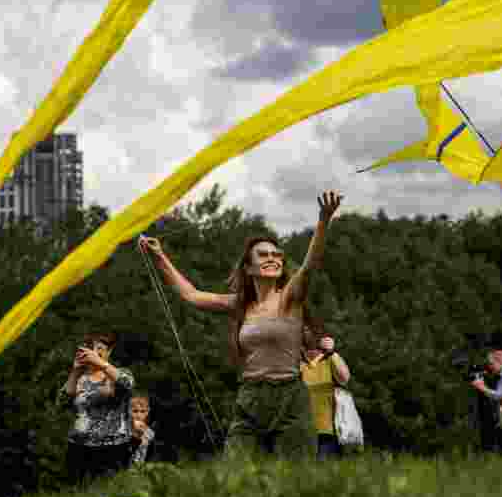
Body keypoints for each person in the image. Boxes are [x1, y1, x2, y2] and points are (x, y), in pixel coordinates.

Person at [139, 190, 342, 460]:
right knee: (236, 473)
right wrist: (159, 256)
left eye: (277, 255)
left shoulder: (291, 298)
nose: (273, 258)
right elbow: (192, 295)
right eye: (263, 255)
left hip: (291, 398)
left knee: (296, 478)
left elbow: (309, 266)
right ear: (248, 267)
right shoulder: (240, 304)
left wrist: (323, 220)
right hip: (250, 397)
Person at [58, 331, 136, 483]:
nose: (95, 353)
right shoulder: (79, 379)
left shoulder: (117, 374)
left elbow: (127, 384)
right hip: (79, 449)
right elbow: (61, 402)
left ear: (109, 351)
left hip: (113, 449)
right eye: (91, 349)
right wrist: (75, 372)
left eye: (100, 348)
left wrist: (101, 365)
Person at [300, 325, 351, 460]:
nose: (308, 336)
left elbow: (345, 378)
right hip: (302, 426)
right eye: (304, 332)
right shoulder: (296, 361)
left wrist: (332, 353)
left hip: (326, 426)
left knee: (321, 467)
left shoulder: (330, 358)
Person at [129, 393, 157, 465]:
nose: (139, 415)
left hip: (141, 466)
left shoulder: (149, 432)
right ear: (129, 411)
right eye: (135, 411)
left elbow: (151, 452)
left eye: (142, 411)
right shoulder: (125, 429)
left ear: (147, 412)